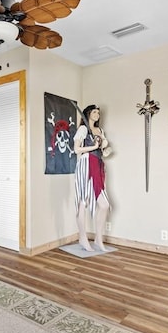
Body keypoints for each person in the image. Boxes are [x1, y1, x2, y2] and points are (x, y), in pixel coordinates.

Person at [74, 104, 110, 251]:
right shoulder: (83, 129)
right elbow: (76, 149)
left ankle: (98, 239)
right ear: (88, 113)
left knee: (104, 205)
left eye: (98, 112)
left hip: (98, 164)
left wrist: (104, 149)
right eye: (94, 112)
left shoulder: (100, 131)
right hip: (86, 163)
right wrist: (93, 148)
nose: (97, 114)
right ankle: (83, 238)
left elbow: (103, 148)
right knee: (84, 201)